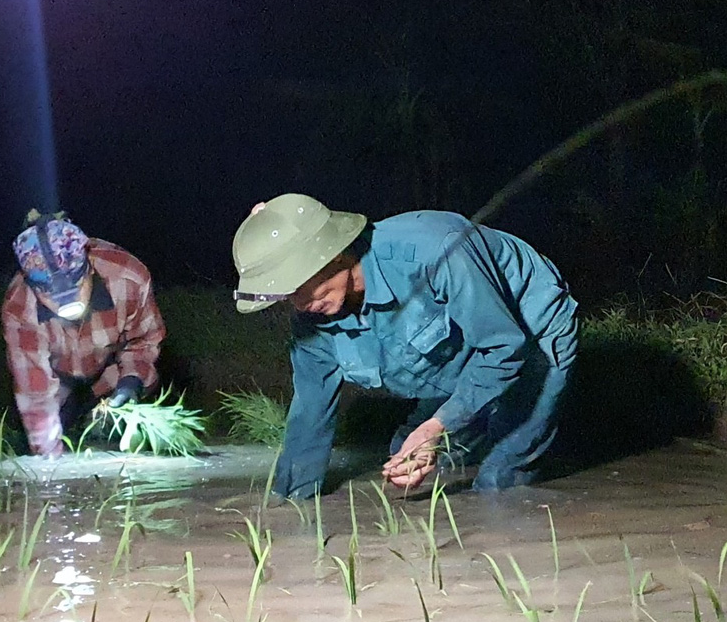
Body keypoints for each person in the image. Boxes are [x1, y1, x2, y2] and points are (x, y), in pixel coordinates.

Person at [232, 195, 578, 499]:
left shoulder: (435, 249)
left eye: (297, 285)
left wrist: (437, 426)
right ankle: (477, 426)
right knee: (402, 460)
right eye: (286, 295)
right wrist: (288, 501)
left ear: (335, 255)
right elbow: (311, 409)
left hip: (530, 335)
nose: (297, 304)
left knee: (498, 482)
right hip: (455, 358)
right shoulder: (313, 316)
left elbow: (504, 348)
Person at [1, 211, 166, 457]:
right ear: (34, 288)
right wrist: (50, 467)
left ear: (88, 269)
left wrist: (131, 382)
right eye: (51, 297)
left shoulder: (129, 277)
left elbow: (145, 340)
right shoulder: (19, 308)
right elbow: (36, 397)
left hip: (112, 370)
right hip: (57, 381)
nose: (65, 304)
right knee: (39, 447)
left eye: (75, 289)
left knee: (125, 438)